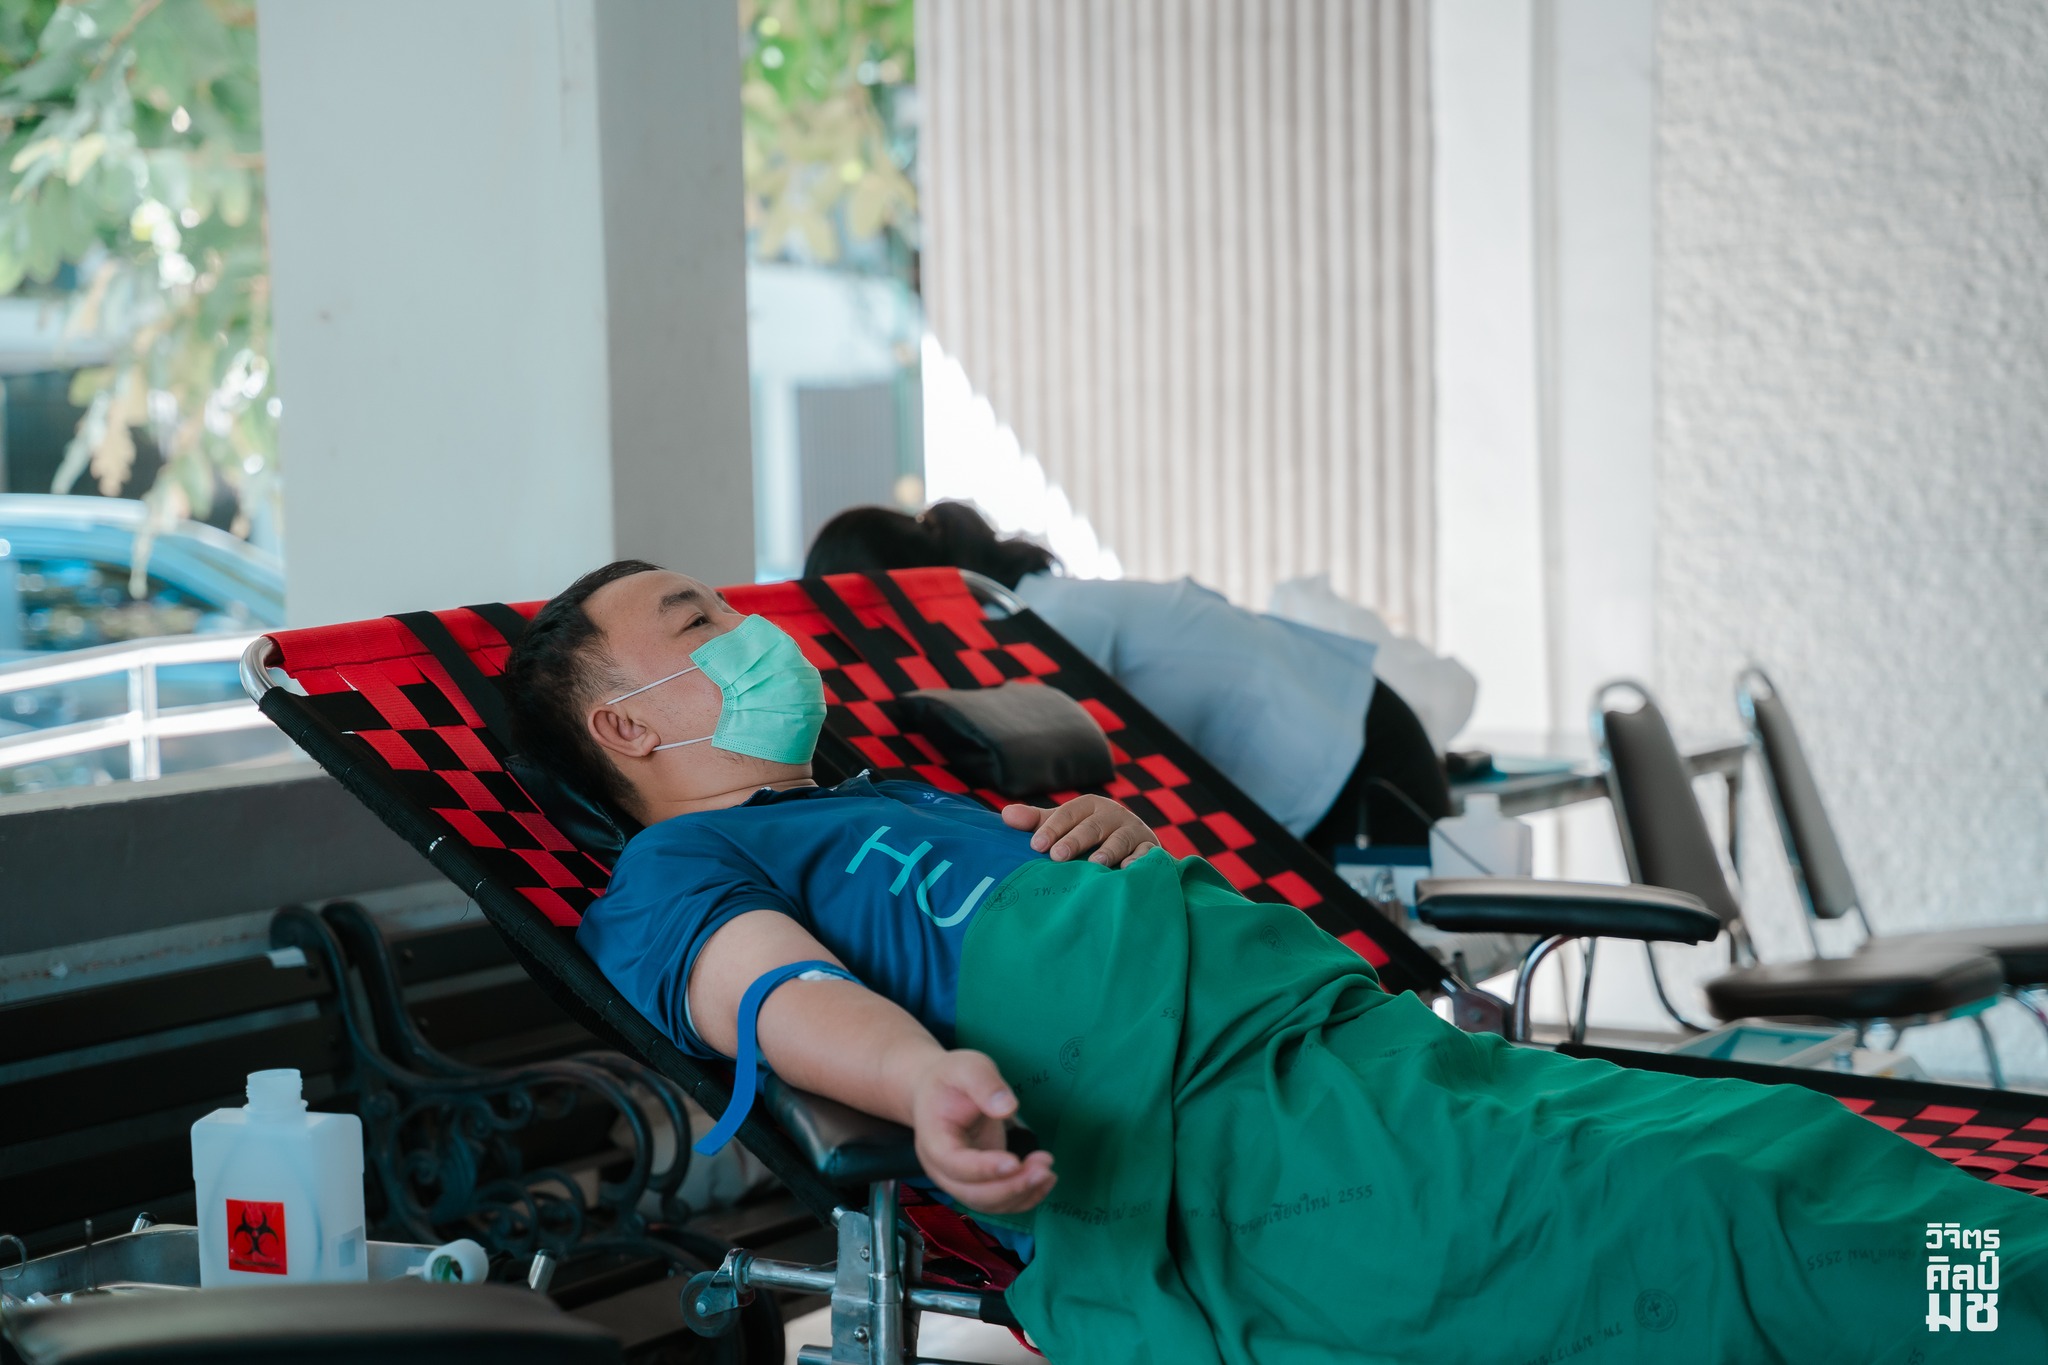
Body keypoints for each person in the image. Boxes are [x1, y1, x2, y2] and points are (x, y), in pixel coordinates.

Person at [503, 560, 2048, 1365]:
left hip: (1349, 1046)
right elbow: (773, 994)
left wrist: (1112, 846)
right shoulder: (674, 873)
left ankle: (2005, 1292)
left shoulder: (886, 793)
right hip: (1233, 1140)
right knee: (1725, 1217)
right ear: (626, 723)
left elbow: (1029, 916)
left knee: (1789, 1145)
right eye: (700, 619)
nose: (751, 630)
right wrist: (925, 1086)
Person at [803, 502, 1454, 857]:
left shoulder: (1037, 628)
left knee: (1384, 964)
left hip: (1359, 759)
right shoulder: (1034, 605)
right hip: (1352, 728)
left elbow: (1041, 767)